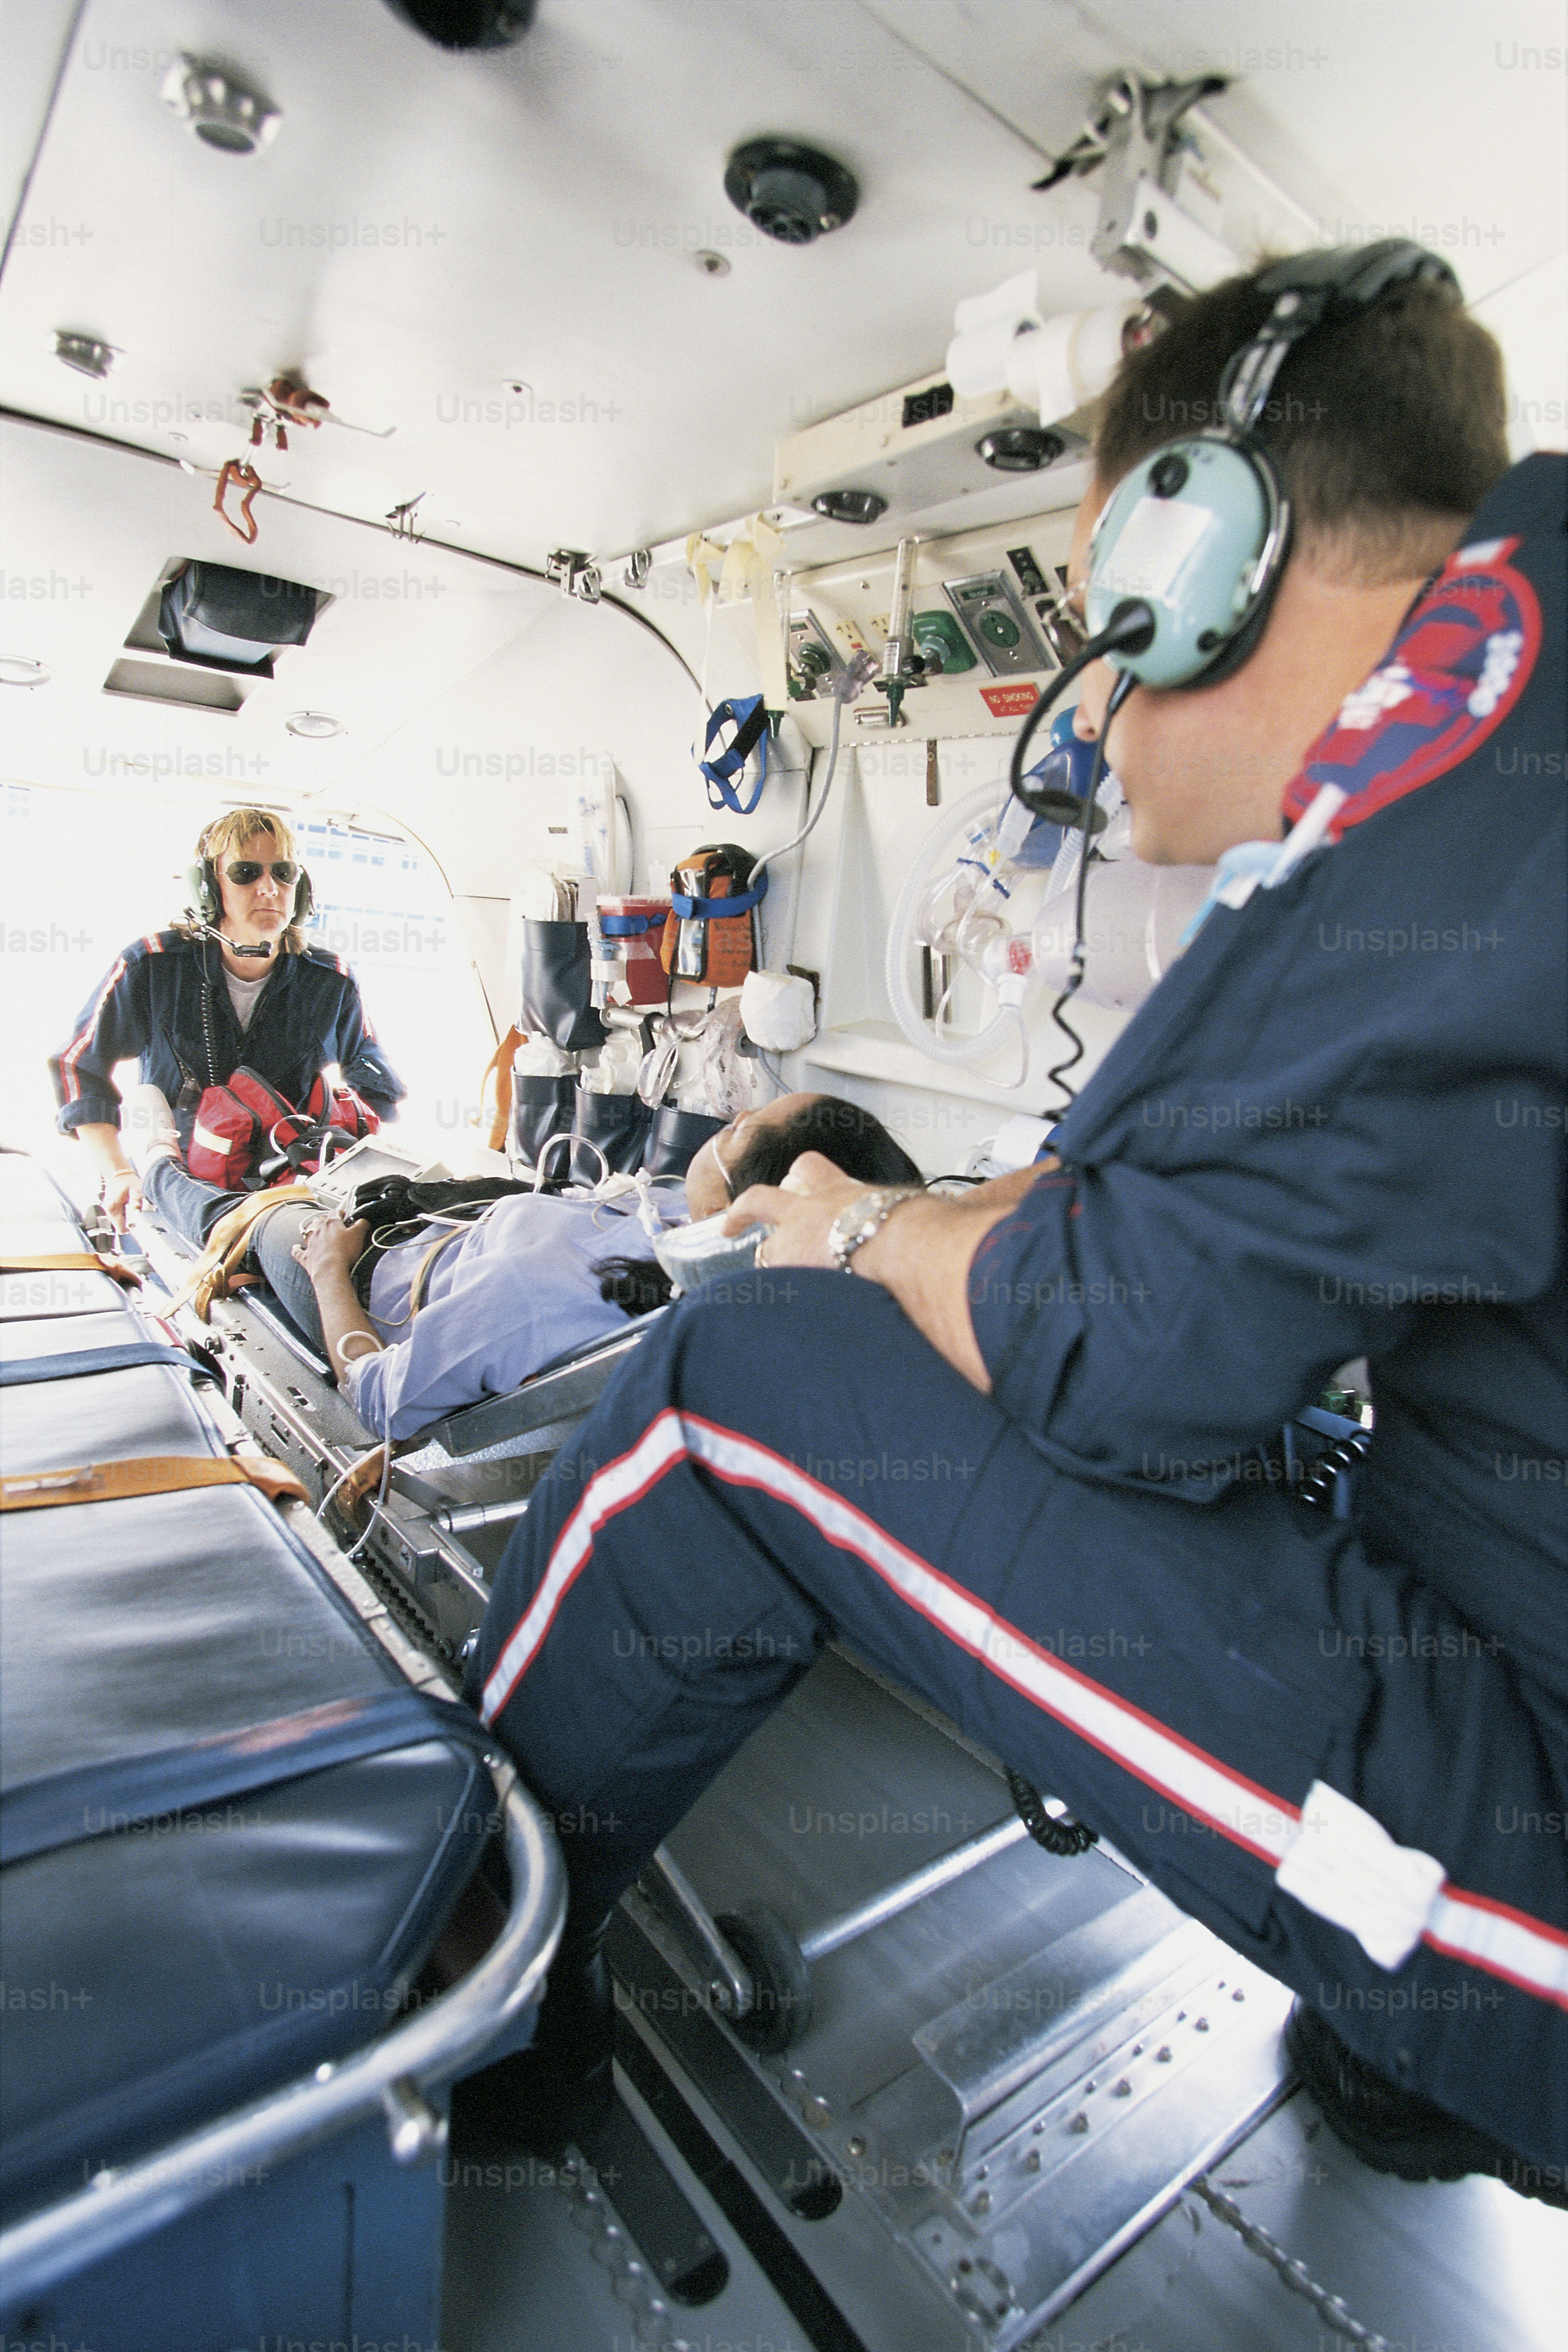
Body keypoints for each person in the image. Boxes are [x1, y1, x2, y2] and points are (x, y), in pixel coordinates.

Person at [467, 251, 1568, 2194]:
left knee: (737, 1376)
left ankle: (452, 1991)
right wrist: (938, 1219)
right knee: (1310, 1429)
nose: (1093, 688)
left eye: (1096, 620)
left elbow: (1119, 1348)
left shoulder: (1467, 731)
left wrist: (864, 1235)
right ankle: (1434, 2053)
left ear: (1197, 544)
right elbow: (1248, 1252)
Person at [129, 1087, 922, 1438]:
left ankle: (152, 1170)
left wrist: (331, 1266)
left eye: (747, 1126)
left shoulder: (537, 1298)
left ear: (752, 1210)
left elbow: (378, 1400)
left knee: (261, 1214)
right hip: (443, 1230)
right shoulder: (697, 1226)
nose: (735, 1115)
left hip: (372, 1282)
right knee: (325, 1170)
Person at [48, 807, 404, 1229]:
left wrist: (329, 1151)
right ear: (209, 889)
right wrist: (119, 1172)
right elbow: (78, 1068)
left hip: (284, 1198)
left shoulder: (331, 983)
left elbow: (377, 1090)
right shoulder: (152, 966)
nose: (270, 889)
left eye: (284, 872)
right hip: (176, 1188)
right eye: (246, 872)